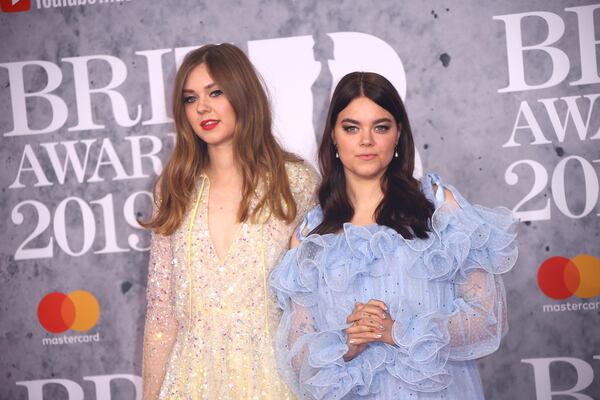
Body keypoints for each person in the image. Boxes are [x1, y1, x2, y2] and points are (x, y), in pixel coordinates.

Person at [270, 72, 518, 399]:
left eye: (381, 127)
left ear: (398, 134)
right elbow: (299, 361)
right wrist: (348, 342)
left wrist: (398, 331)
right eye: (351, 127)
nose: (366, 140)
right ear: (333, 135)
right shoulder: (310, 237)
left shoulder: (440, 209)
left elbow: (487, 321)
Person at [141, 43, 319, 399]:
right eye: (190, 99)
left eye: (215, 92)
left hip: (275, 380)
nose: (202, 107)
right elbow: (162, 311)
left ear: (242, 94)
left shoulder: (295, 182)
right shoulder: (174, 187)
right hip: (189, 383)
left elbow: (312, 302)